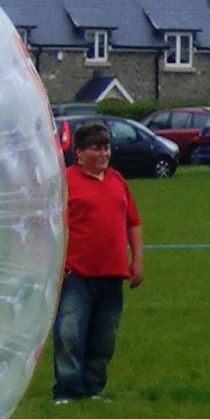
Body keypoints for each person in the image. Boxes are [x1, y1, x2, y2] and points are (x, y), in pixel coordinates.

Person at [53, 120, 142, 403]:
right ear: (79, 152)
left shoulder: (118, 181)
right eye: (96, 148)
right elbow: (51, 225)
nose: (104, 154)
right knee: (70, 333)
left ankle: (92, 388)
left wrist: (137, 259)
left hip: (112, 272)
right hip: (77, 273)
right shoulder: (66, 183)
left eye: (106, 148)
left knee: (104, 338)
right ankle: (67, 390)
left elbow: (133, 223)